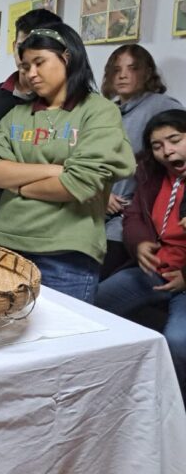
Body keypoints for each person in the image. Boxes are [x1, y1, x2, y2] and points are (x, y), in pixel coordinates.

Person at [0, 24, 136, 303]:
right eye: (25, 66)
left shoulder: (98, 112)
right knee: (0, 338)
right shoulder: (19, 115)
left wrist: (18, 186)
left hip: (67, 255)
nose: (31, 74)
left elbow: (80, 183)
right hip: (7, 247)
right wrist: (52, 170)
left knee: (64, 342)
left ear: (67, 58)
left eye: (39, 62)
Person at [95, 109, 186, 402]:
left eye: (175, 140)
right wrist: (141, 244)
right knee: (91, 308)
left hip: (182, 284)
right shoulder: (152, 175)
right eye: (158, 146)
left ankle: (175, 414)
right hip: (151, 271)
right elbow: (133, 216)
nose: (167, 151)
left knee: (178, 341)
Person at [0, 8, 63, 241]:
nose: (28, 55)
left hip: (43, 208)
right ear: (15, 45)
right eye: (24, 45)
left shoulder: (67, 100)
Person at [100, 44, 183, 279]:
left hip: (128, 217)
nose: (123, 75)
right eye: (116, 70)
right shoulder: (107, 111)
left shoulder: (161, 106)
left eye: (132, 68)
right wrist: (99, 193)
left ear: (146, 72)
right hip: (94, 208)